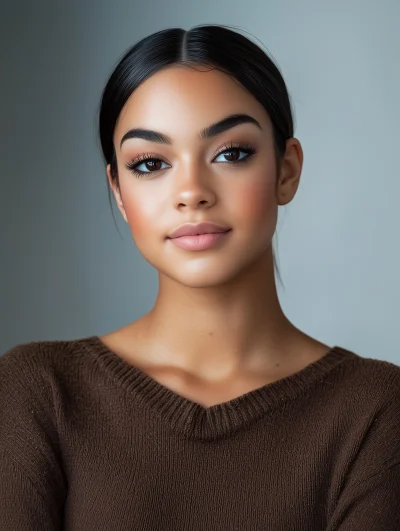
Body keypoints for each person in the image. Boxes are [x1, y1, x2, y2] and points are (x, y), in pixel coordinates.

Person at [1, 24, 399, 530]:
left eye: (231, 153)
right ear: (119, 191)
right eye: (150, 163)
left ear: (287, 170)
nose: (191, 191)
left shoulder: (375, 410)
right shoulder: (40, 392)